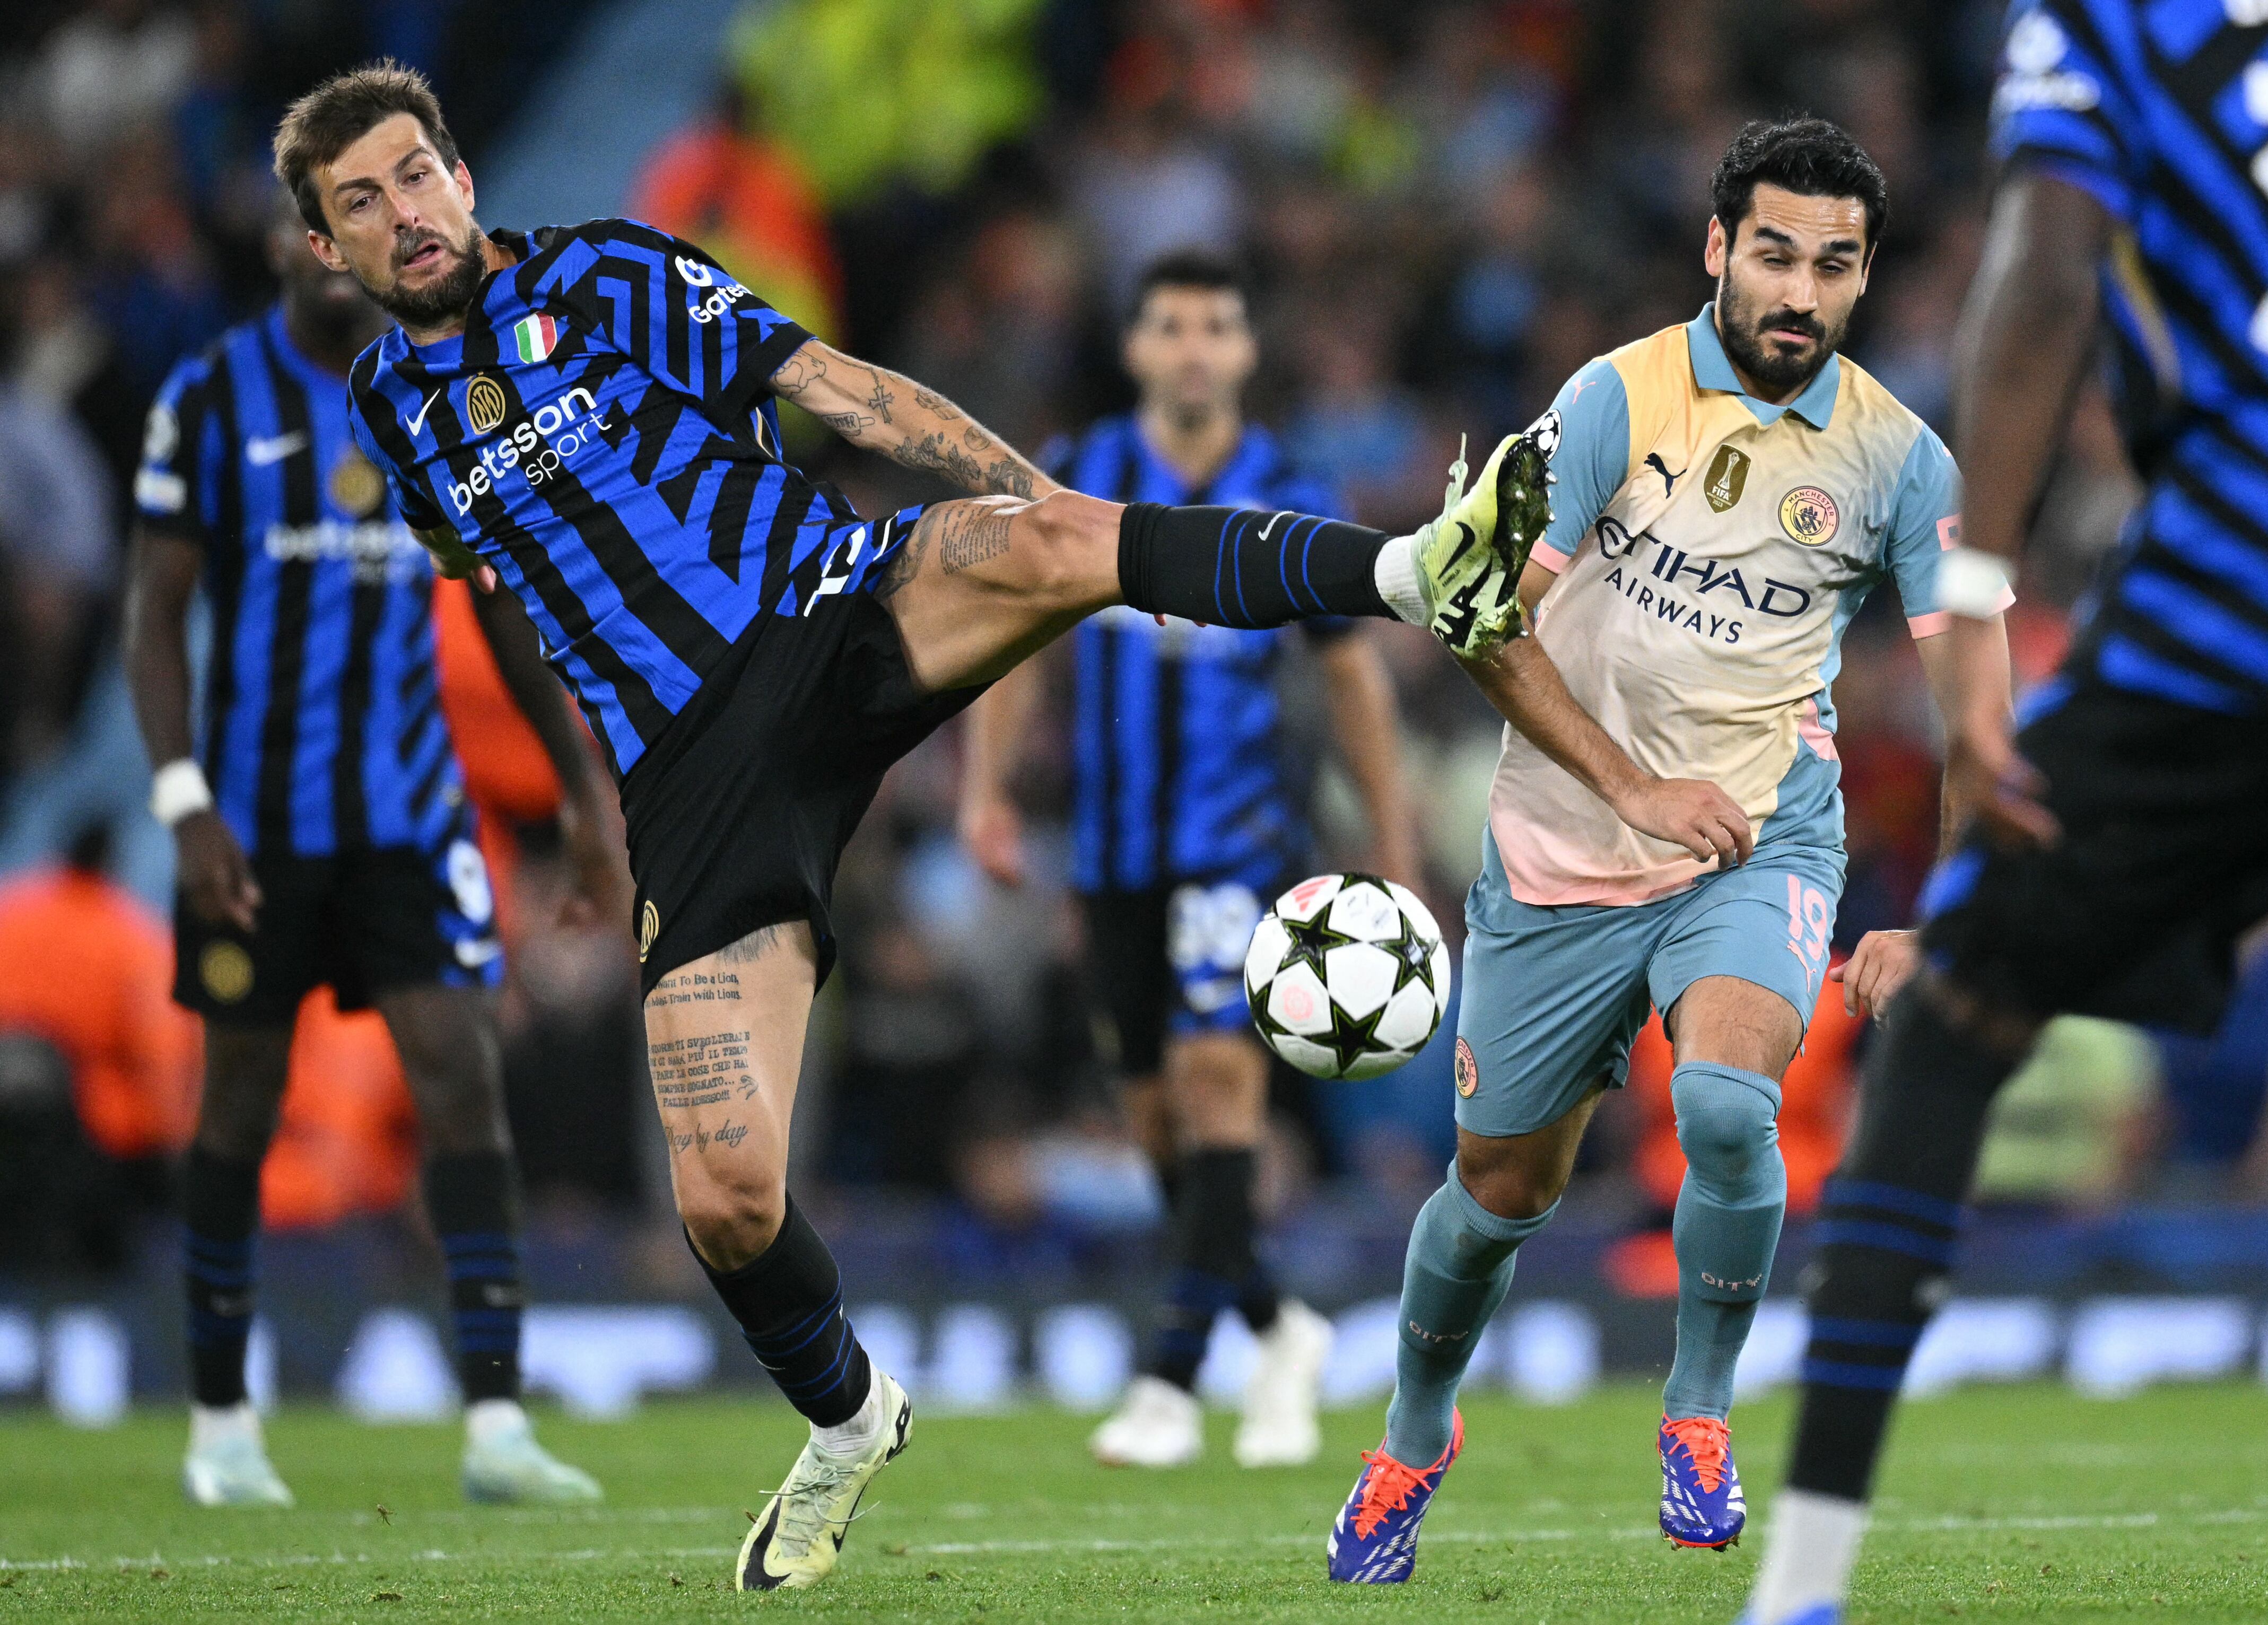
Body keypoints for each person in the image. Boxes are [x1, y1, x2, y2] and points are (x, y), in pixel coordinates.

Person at [273, 60, 1551, 1591]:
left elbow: (833, 388)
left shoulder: (603, 270)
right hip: (686, 774)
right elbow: (494, 594)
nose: (401, 213)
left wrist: (1038, 518)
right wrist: (576, 810)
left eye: (416, 175)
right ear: (322, 250)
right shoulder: (388, 418)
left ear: (463, 178)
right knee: (728, 1200)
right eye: (361, 201)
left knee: (1069, 531)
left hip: (827, 604)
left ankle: (1412, 569)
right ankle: (848, 1418)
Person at [1738, 7, 2268, 1622]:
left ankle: (1800, 1590)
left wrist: (1970, 607)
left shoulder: (2121, 18)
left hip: (2239, 622)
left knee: (1953, 1008)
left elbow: (2045, 277)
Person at [1322, 118, 2018, 1585]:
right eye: (1772, 252)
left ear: (1863, 277)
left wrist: (1940, 911)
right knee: (1496, 1194)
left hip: (1758, 839)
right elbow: (1482, 628)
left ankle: (1695, 1412)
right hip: (1563, 849)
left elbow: (1976, 702)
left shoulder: (1901, 457)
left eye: (1833, 265)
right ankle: (1413, 1430)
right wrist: (1632, 788)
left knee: (1722, 1106)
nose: (1800, 290)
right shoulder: (1606, 403)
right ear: (1716, 249)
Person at [124, 204, 622, 1509]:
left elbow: (501, 610)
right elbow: (154, 619)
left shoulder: (450, 389)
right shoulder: (210, 398)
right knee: (236, 1103)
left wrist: (580, 791)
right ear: (285, 246)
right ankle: (225, 1426)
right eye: (312, 220)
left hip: (409, 818)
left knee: (463, 1079)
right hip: (254, 832)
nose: (334, 244)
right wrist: (183, 806)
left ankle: (498, 1424)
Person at [959, 251, 1419, 1470]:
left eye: (1219, 323)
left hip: (1238, 845)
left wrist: (1392, 839)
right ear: (1140, 348)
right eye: (1174, 325)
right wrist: (987, 790)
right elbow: (1015, 641)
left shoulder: (1289, 489)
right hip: (1114, 851)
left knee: (1221, 1084)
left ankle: (1168, 1379)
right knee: (1157, 1120)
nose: (1198, 346)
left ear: (1247, 350)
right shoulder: (1085, 479)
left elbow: (1351, 669)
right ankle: (1279, 1327)